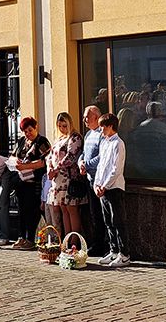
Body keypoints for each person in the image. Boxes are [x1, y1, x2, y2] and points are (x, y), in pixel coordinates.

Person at [8, 117, 51, 250]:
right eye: (25, 131)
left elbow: (44, 161)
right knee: (22, 210)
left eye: (30, 130)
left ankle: (30, 239)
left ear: (35, 127)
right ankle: (21, 237)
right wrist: (16, 162)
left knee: (32, 211)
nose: (28, 133)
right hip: (22, 182)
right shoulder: (22, 141)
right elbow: (13, 155)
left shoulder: (41, 141)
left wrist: (26, 166)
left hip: (35, 182)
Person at [93, 113, 130, 268]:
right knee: (108, 221)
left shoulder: (118, 143)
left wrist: (105, 185)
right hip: (103, 188)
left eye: (103, 126)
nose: (101, 130)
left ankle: (124, 254)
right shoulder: (105, 143)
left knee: (118, 221)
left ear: (110, 126)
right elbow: (101, 166)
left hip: (114, 187)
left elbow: (116, 169)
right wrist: (96, 184)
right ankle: (113, 250)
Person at [46, 112, 87, 238]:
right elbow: (50, 156)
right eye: (59, 126)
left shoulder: (75, 137)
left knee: (72, 209)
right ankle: (67, 239)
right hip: (57, 180)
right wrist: (49, 168)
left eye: (64, 126)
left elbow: (71, 156)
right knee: (63, 208)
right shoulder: (59, 139)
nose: (62, 129)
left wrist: (56, 169)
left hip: (69, 179)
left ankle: (74, 240)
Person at [78, 105, 109, 257]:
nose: (84, 119)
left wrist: (87, 165)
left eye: (87, 117)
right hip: (89, 179)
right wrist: (81, 163)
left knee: (103, 215)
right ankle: (96, 243)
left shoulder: (102, 134)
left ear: (96, 117)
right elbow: (83, 153)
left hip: (100, 180)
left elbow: (102, 156)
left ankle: (104, 245)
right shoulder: (88, 134)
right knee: (94, 213)